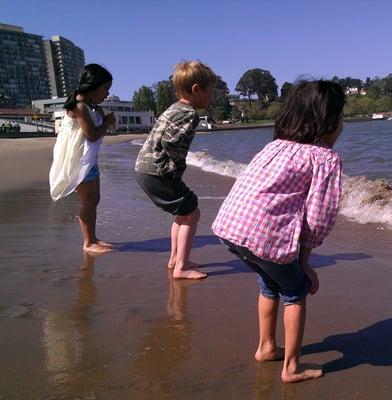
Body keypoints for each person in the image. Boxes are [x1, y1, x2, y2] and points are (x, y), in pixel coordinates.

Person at [212, 80, 346, 383]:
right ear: (327, 121)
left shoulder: (274, 146)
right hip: (263, 235)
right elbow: (318, 216)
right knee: (296, 290)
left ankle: (266, 347)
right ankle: (291, 368)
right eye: (340, 116)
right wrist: (304, 263)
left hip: (231, 228)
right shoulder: (323, 158)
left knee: (269, 283)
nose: (342, 124)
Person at [135, 60, 217, 279]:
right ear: (196, 90)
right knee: (192, 212)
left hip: (145, 168)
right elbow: (171, 142)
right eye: (209, 92)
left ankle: (175, 259)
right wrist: (177, 166)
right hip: (158, 171)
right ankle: (181, 267)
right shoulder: (189, 115)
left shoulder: (173, 108)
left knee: (183, 213)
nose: (211, 97)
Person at [49, 63, 116, 254]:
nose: (107, 94)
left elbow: (101, 131)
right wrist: (107, 122)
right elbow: (92, 135)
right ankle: (88, 243)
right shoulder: (79, 106)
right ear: (92, 86)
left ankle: (92, 238)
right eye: (105, 89)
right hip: (78, 161)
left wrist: (106, 120)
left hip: (89, 159)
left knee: (95, 199)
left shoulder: (90, 105)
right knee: (89, 201)